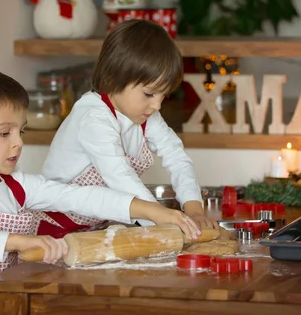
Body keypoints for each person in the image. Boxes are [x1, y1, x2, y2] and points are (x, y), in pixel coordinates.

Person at [0, 66, 199, 315]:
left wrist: (151, 211)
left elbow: (82, 197)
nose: (18, 143)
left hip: (8, 307)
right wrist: (20, 241)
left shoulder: (19, 185)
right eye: (5, 133)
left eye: (22, 132)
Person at [38, 19, 219, 238]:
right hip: (53, 229)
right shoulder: (93, 118)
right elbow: (120, 176)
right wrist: (161, 220)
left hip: (93, 228)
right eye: (149, 94)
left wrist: (194, 210)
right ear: (113, 76)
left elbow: (177, 157)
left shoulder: (146, 115)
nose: (157, 105)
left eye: (164, 95)